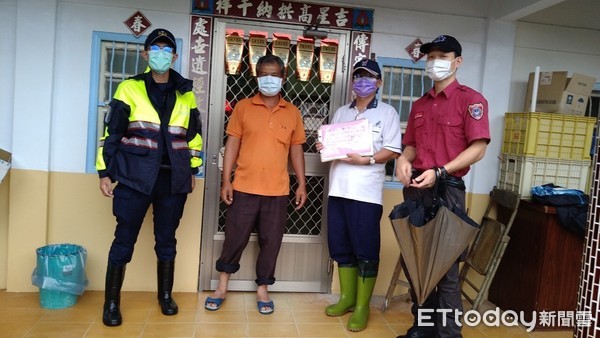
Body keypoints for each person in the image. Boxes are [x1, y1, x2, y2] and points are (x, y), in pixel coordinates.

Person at [96, 28, 203, 327]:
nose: (161, 55)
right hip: (134, 178)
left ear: (175, 56)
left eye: (166, 50)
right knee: (124, 240)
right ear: (145, 55)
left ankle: (165, 296)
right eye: (155, 50)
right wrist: (105, 172)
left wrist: (192, 169)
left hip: (172, 181)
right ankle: (112, 303)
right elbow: (111, 133)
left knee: (166, 240)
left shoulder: (186, 92)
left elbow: (194, 137)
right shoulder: (129, 88)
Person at [395, 35, 490, 338]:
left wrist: (441, 171)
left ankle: (449, 334)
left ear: (457, 61)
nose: (435, 61)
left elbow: (478, 148)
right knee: (417, 263)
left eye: (442, 55)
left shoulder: (470, 100)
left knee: (446, 269)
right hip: (417, 189)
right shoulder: (420, 104)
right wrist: (402, 160)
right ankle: (422, 328)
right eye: (430, 56)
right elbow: (410, 146)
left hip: (447, 188)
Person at [204, 54, 307, 315]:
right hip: (244, 187)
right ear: (257, 76)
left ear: (283, 78)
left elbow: (296, 151)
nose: (269, 80)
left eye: (274, 75)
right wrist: (226, 179)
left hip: (277, 190)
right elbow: (232, 145)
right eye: (264, 74)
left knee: (271, 241)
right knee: (234, 238)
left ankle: (263, 288)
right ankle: (222, 285)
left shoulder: (293, 112)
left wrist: (302, 184)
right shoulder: (242, 107)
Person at [318, 59, 402, 332]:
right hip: (338, 190)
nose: (362, 82)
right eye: (358, 76)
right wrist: (324, 143)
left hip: (366, 194)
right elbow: (333, 147)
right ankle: (347, 298)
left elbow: (391, 150)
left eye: (368, 77)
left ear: (378, 83)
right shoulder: (342, 112)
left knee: (364, 249)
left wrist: (366, 160)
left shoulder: (387, 113)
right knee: (341, 246)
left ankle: (363, 306)